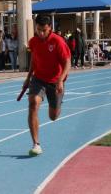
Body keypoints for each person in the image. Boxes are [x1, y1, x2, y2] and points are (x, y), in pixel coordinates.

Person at [22, 14, 71, 156]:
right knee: (33, 104)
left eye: (43, 30)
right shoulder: (33, 41)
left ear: (50, 28)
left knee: (53, 116)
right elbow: (34, 59)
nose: (41, 33)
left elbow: (67, 62)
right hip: (38, 78)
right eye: (38, 29)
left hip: (55, 81)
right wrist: (28, 78)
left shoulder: (58, 41)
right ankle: (36, 144)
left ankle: (58, 104)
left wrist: (61, 80)